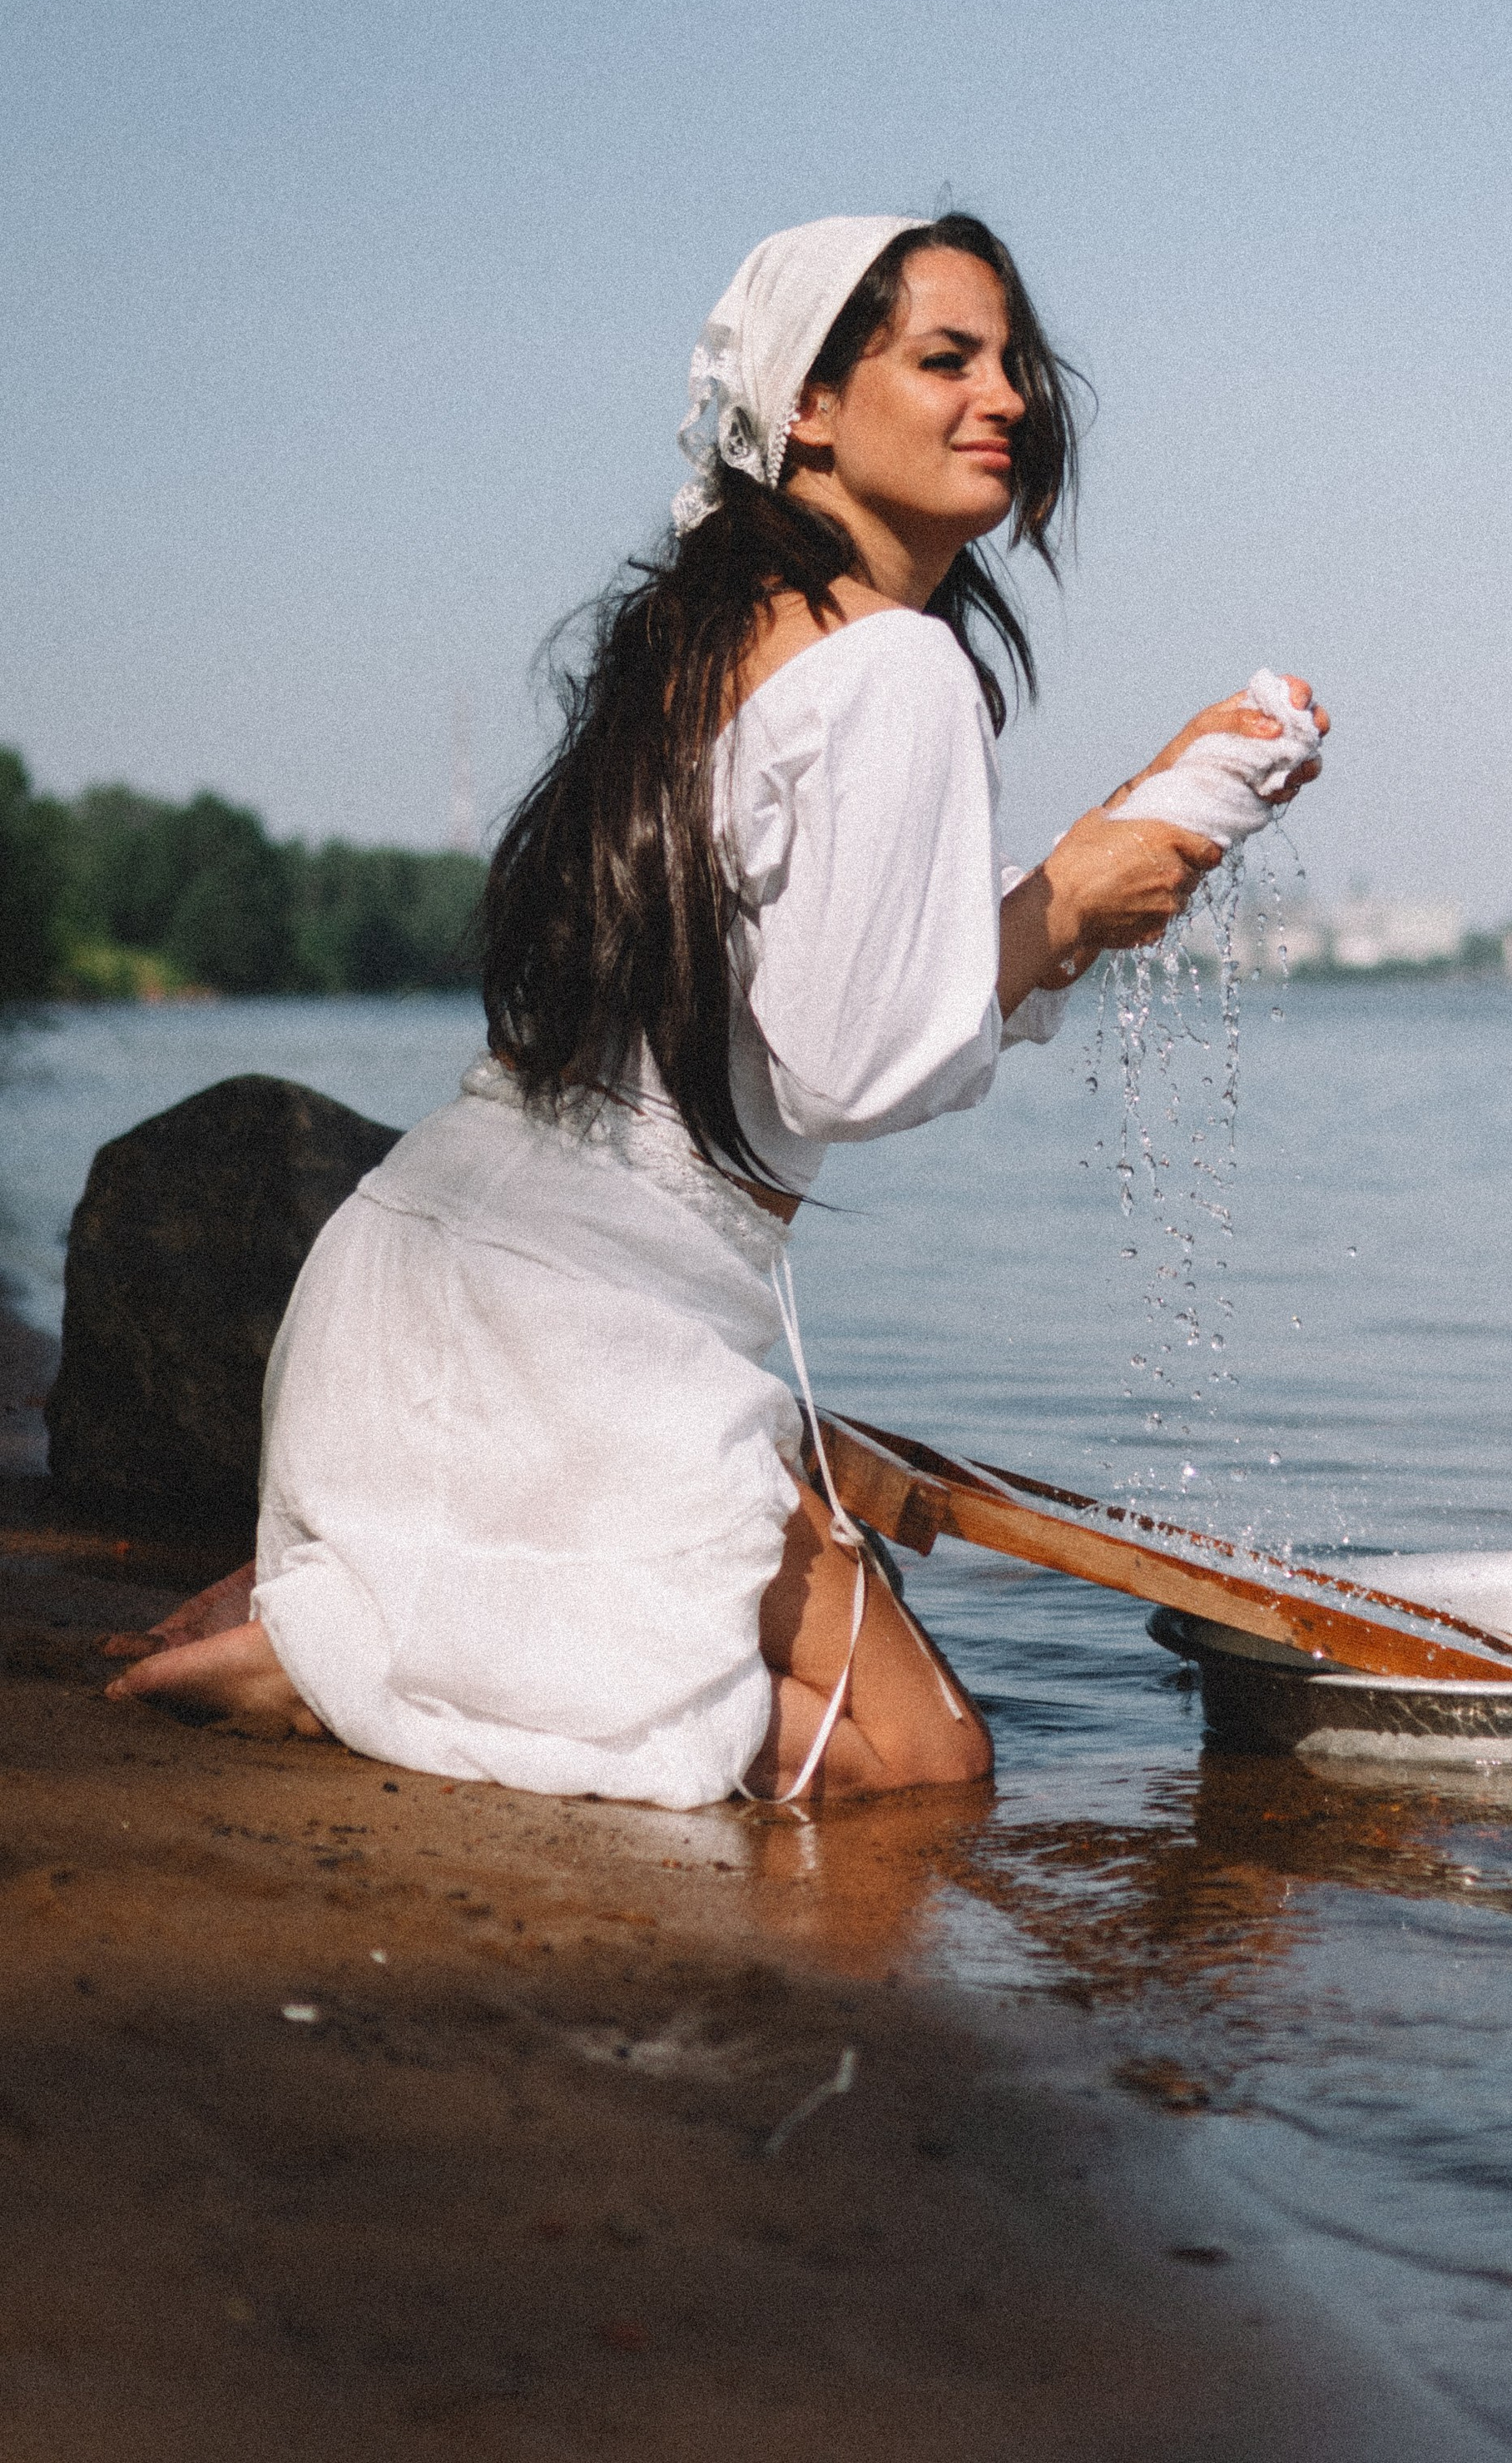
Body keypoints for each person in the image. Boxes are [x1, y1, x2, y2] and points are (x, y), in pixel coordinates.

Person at [108, 212, 1326, 1804]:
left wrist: (1089, 867)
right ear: (808, 409)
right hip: (582, 1353)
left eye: (1014, 362)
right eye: (945, 359)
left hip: (406, 1298)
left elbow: (828, 986)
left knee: (835, 1719)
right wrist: (1075, 901)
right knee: (925, 1764)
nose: (1007, 397)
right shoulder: (894, 669)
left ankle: (376, 1619)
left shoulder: (712, 636)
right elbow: (853, 1066)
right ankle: (347, 1663)